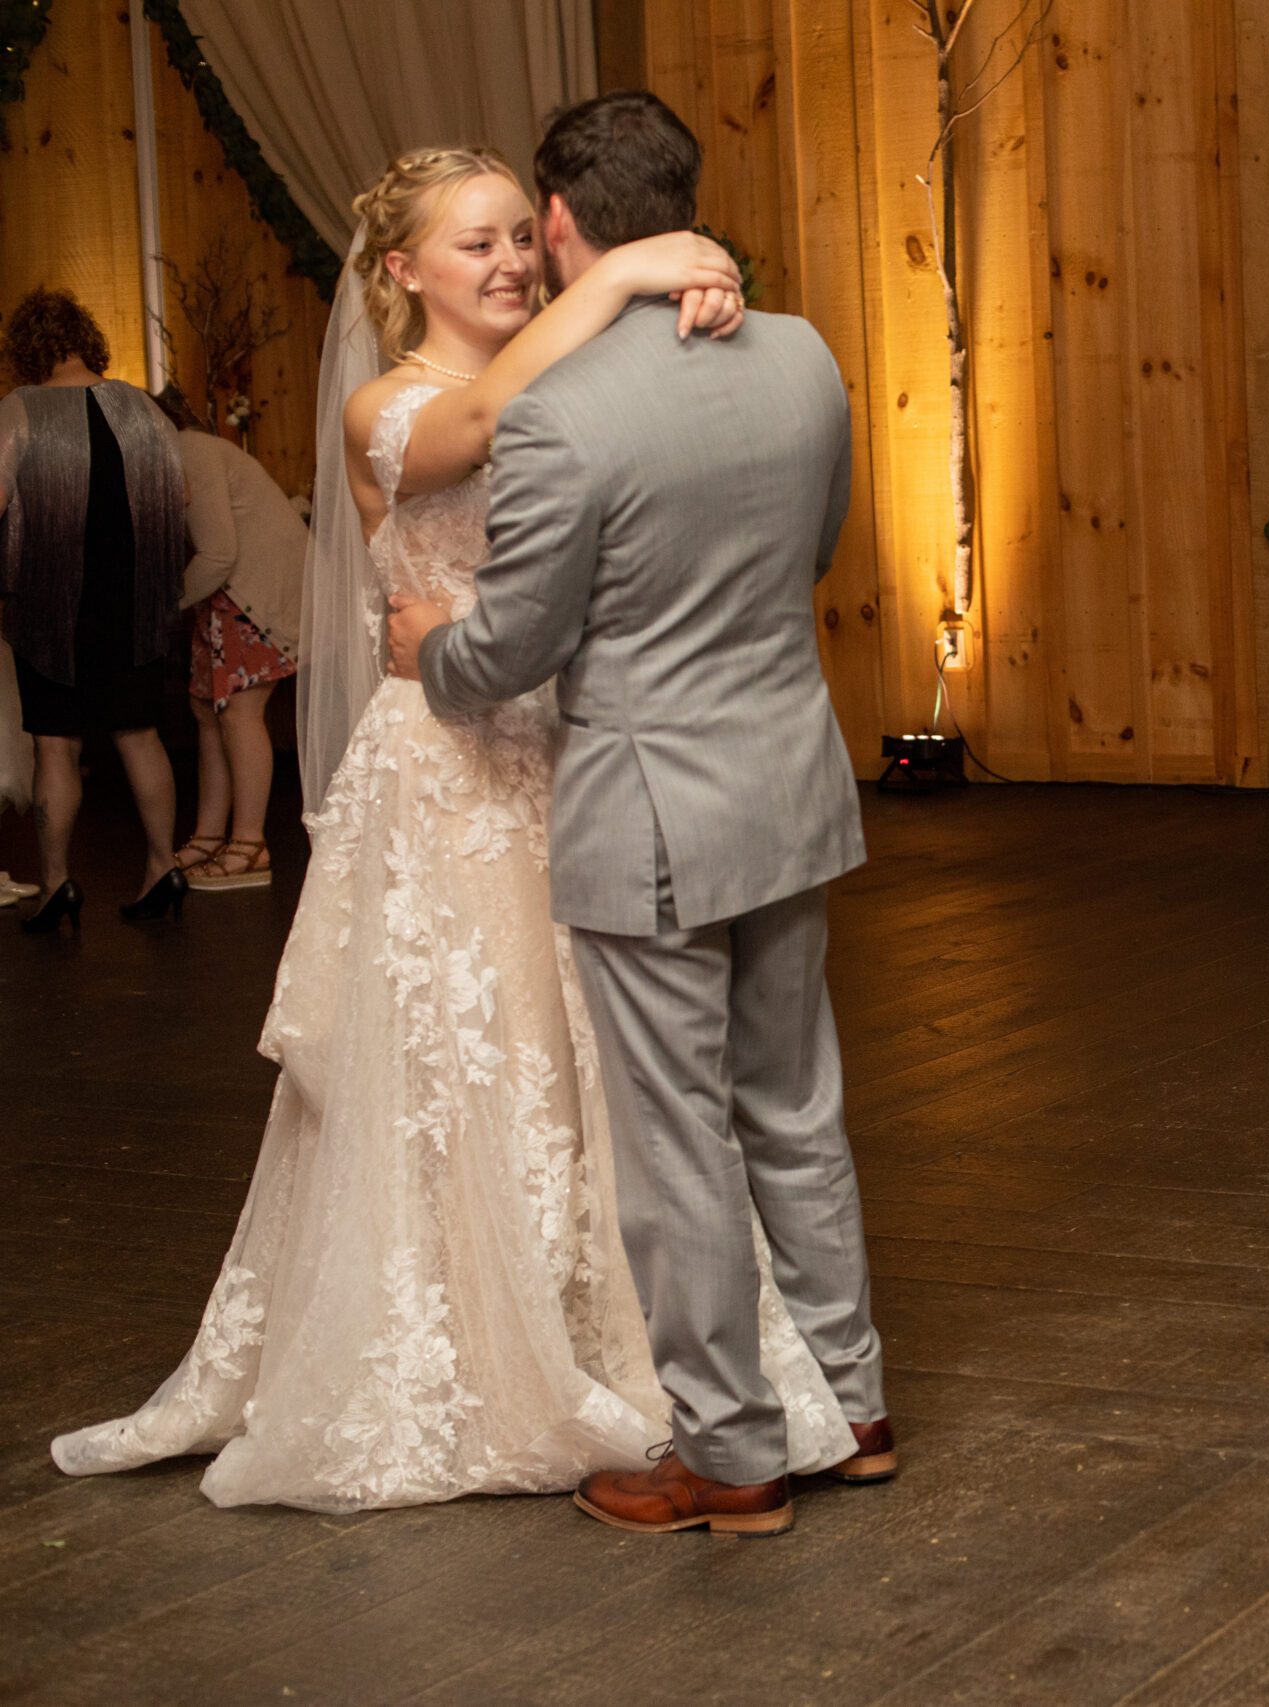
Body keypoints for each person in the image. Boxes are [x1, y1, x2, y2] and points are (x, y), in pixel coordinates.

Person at [52, 141, 862, 1514]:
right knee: (459, 1064)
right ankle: (465, 1344)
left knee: (606, 1080)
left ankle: (662, 1351)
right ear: (399, 272)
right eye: (470, 243)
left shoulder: (581, 374)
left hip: (573, 758)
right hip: (443, 780)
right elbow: (483, 424)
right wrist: (648, 269)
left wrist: (688, 289)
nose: (501, 262)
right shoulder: (392, 405)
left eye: (513, 238)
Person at [387, 92, 889, 1539]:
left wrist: (430, 645)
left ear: (561, 225)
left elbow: (515, 647)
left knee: (678, 1146)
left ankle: (730, 1456)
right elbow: (818, 543)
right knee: (798, 1108)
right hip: (791, 781)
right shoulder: (805, 358)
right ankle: (853, 1407)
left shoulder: (562, 414)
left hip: (654, 819)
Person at [0, 288, 190, 930]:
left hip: (51, 607)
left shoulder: (20, 409)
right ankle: (164, 862)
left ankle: (57, 883)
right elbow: (180, 493)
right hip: (133, 604)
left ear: (27, 350)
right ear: (88, 338)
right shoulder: (141, 407)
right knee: (140, 735)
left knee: (55, 745)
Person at [157, 385, 307, 891]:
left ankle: (250, 846)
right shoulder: (183, 453)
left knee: (240, 713)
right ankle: (209, 835)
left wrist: (161, 606)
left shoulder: (189, 451)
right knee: (206, 712)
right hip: (226, 596)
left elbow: (218, 553)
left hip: (250, 595)